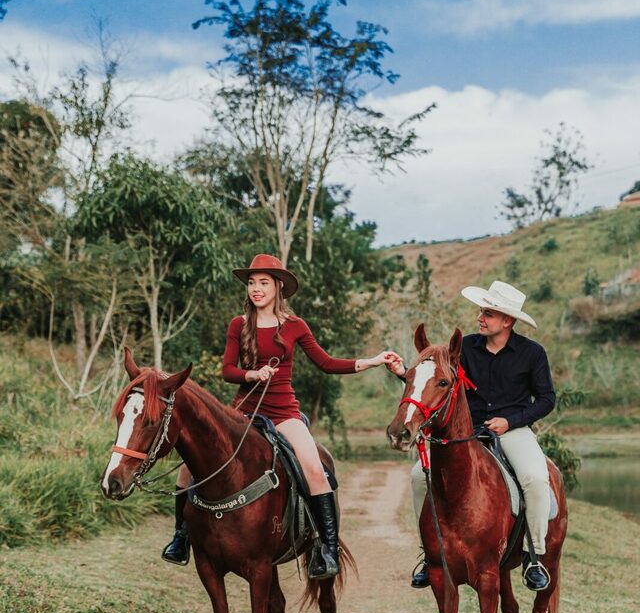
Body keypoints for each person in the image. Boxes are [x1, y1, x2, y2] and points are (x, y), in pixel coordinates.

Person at [162, 253, 402, 578]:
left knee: (315, 470)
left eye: (263, 283)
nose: (256, 289)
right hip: (243, 410)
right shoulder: (238, 325)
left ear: (278, 287)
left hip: (283, 412)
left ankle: (327, 550)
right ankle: (181, 538)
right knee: (187, 467)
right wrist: (251, 374)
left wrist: (372, 361)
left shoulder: (295, 326)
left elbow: (327, 363)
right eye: (251, 283)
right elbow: (228, 370)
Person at [387, 280, 556, 592]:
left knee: (535, 478)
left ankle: (534, 556)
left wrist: (510, 421)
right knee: (418, 476)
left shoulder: (532, 353)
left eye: (488, 313)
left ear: (507, 320)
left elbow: (547, 399)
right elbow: (435, 382)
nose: (480, 317)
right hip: (467, 433)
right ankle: (429, 554)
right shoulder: (463, 349)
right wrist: (403, 373)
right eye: (481, 311)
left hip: (513, 430)